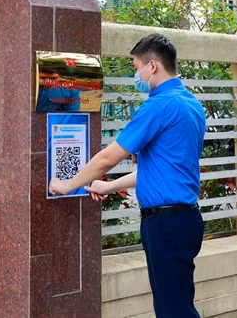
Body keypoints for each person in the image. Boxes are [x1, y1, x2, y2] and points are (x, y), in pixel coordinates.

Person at [48, 34, 206, 317]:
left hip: (165, 225)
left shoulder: (158, 106)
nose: (136, 74)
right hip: (186, 219)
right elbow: (160, 169)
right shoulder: (191, 104)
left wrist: (68, 184)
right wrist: (109, 188)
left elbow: (109, 157)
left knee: (174, 310)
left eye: (136, 67)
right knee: (177, 303)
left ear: (153, 66)